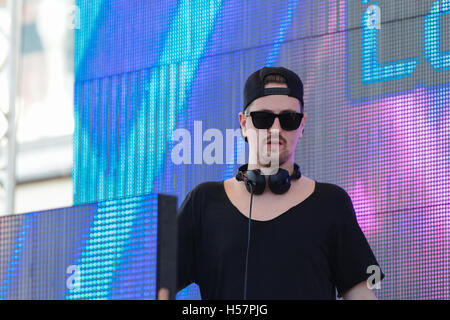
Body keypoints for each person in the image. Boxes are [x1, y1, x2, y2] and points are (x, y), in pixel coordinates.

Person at [177, 66, 384, 300]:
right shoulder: (204, 203)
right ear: (244, 123)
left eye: (289, 119)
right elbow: (158, 283)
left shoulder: (331, 203)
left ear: (302, 124)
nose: (276, 129)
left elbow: (360, 293)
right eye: (263, 118)